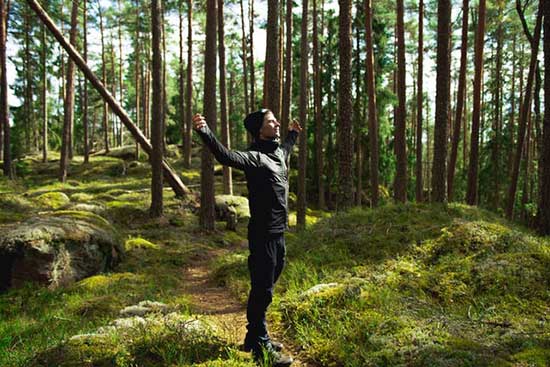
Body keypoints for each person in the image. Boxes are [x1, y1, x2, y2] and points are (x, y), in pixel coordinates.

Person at [193, 109, 301, 366]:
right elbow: (225, 155)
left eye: (275, 120)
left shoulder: (278, 154)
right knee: (262, 289)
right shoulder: (255, 158)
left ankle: (253, 337)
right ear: (259, 130)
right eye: (270, 121)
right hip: (263, 235)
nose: (276, 122)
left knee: (269, 285)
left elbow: (286, 147)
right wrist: (205, 131)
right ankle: (260, 345)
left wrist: (293, 134)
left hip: (279, 235)